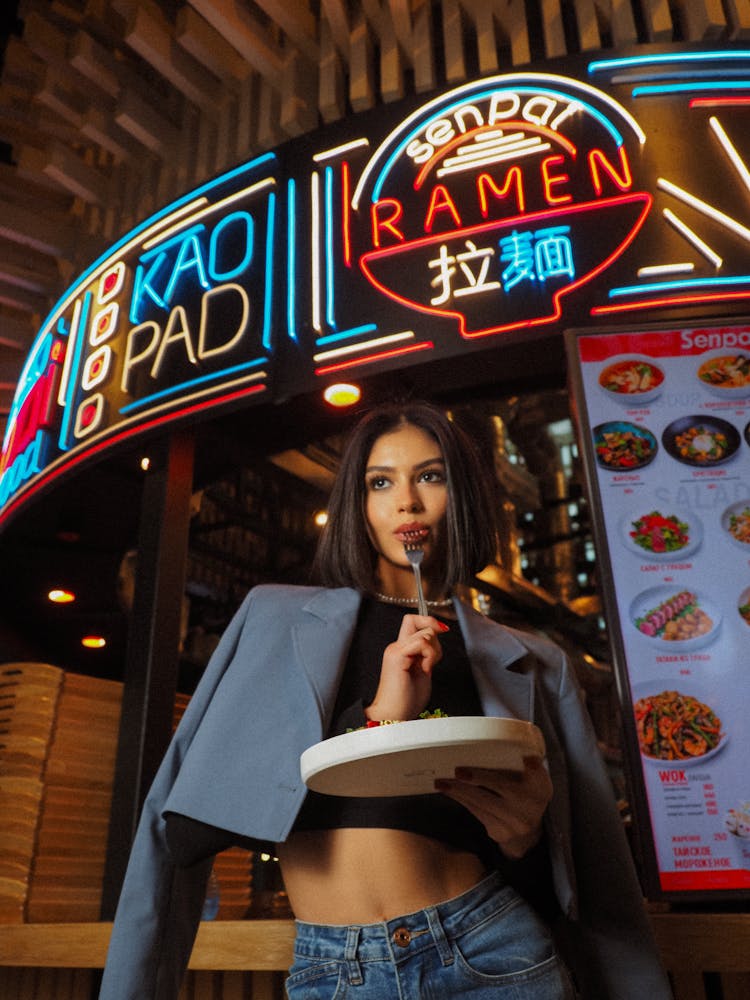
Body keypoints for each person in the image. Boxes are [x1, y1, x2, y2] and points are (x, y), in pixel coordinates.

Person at [99, 401, 672, 1000]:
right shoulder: (271, 620)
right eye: (381, 481)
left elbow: (598, 891)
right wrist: (378, 720)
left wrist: (523, 839)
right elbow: (183, 829)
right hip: (334, 969)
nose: (408, 501)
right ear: (358, 504)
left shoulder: (535, 661)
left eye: (431, 475)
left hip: (493, 951)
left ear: (462, 496)